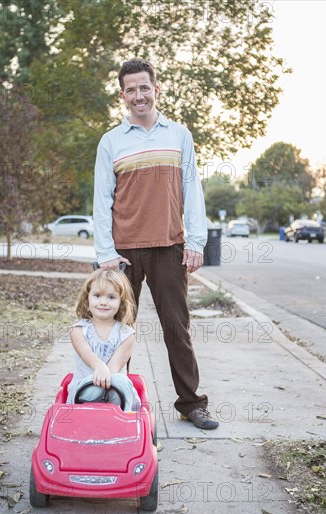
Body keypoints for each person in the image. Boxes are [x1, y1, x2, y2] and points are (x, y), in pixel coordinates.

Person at [93, 58, 218, 430]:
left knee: (177, 329)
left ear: (155, 89)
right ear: (123, 96)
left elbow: (192, 190)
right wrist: (104, 254)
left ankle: (191, 404)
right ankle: (115, 401)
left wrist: (196, 241)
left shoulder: (179, 135)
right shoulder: (110, 141)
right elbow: (102, 200)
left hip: (169, 247)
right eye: (130, 89)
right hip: (122, 254)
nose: (138, 95)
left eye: (144, 87)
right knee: (116, 331)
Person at [66, 269, 141, 412]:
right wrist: (99, 366)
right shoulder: (78, 330)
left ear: (121, 303)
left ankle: (126, 419)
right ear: (87, 300)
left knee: (120, 380)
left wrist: (104, 370)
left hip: (115, 391)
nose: (103, 302)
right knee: (89, 383)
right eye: (97, 296)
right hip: (85, 392)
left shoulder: (127, 335)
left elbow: (112, 371)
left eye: (111, 297)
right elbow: (85, 352)